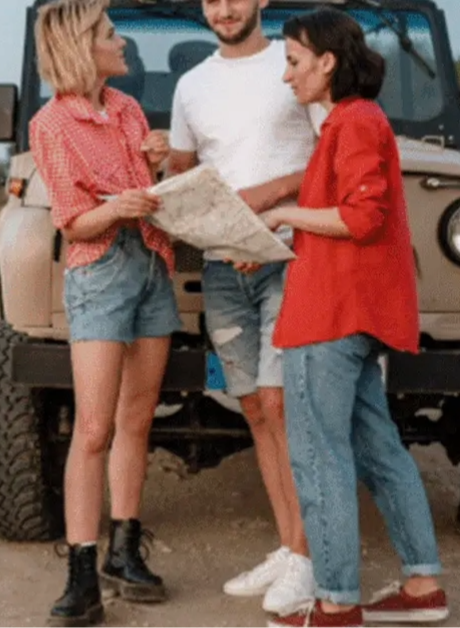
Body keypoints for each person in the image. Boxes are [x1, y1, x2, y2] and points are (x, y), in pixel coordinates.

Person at [262, 7, 448, 627]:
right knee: (377, 448)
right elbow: (340, 222)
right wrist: (279, 234)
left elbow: (360, 220)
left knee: (319, 458)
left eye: (292, 62)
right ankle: (422, 587)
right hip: (353, 313)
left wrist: (285, 214)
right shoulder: (351, 122)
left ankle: (336, 602)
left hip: (331, 317)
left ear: (327, 61)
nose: (287, 76)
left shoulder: (355, 123)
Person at [166, 0, 326, 616]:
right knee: (256, 408)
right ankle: (290, 549)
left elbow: (328, 157)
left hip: (291, 256)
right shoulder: (192, 85)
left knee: (285, 404)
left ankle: (308, 560)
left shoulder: (294, 67)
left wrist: (275, 197)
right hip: (224, 268)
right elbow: (183, 170)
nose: (224, 9)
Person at [27, 0, 182, 626]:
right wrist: (121, 206)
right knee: (92, 431)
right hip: (100, 273)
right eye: (112, 34)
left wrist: (157, 161)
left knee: (136, 422)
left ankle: (125, 550)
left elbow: (145, 190)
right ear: (81, 46)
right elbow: (74, 221)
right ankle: (80, 573)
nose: (123, 44)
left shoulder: (127, 109)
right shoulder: (50, 124)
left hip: (151, 265)